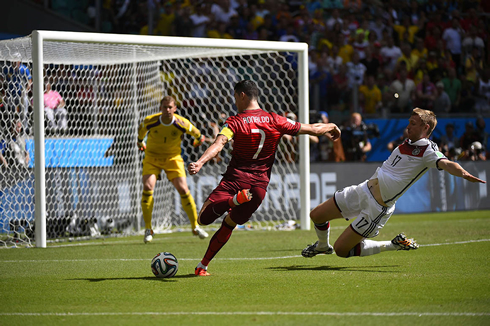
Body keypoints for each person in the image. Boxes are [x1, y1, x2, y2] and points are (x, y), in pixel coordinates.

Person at [187, 80, 341, 276]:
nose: (235, 102)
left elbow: (220, 143)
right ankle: (202, 266)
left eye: (235, 98)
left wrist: (200, 162)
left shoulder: (235, 121)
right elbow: (311, 128)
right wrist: (331, 126)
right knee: (229, 224)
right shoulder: (275, 120)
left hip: (235, 180)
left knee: (203, 218)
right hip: (258, 189)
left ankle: (233, 201)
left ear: (242, 95)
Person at [301, 108, 485, 260]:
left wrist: (463, 172)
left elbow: (445, 163)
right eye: (409, 122)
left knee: (341, 250)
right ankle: (323, 246)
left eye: (413, 124)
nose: (408, 126)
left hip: (376, 208)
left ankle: (393, 244)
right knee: (316, 215)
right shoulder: (406, 143)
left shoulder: (428, 150)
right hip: (363, 190)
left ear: (425, 127)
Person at [137, 95, 208, 243]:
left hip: (173, 158)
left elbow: (197, 134)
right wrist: (140, 142)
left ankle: (195, 226)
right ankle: (148, 229)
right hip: (152, 157)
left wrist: (199, 139)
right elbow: (141, 132)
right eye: (165, 107)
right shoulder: (150, 121)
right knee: (148, 186)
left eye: (170, 107)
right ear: (160, 108)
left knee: (183, 189)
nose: (168, 110)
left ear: (175, 109)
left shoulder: (182, 123)